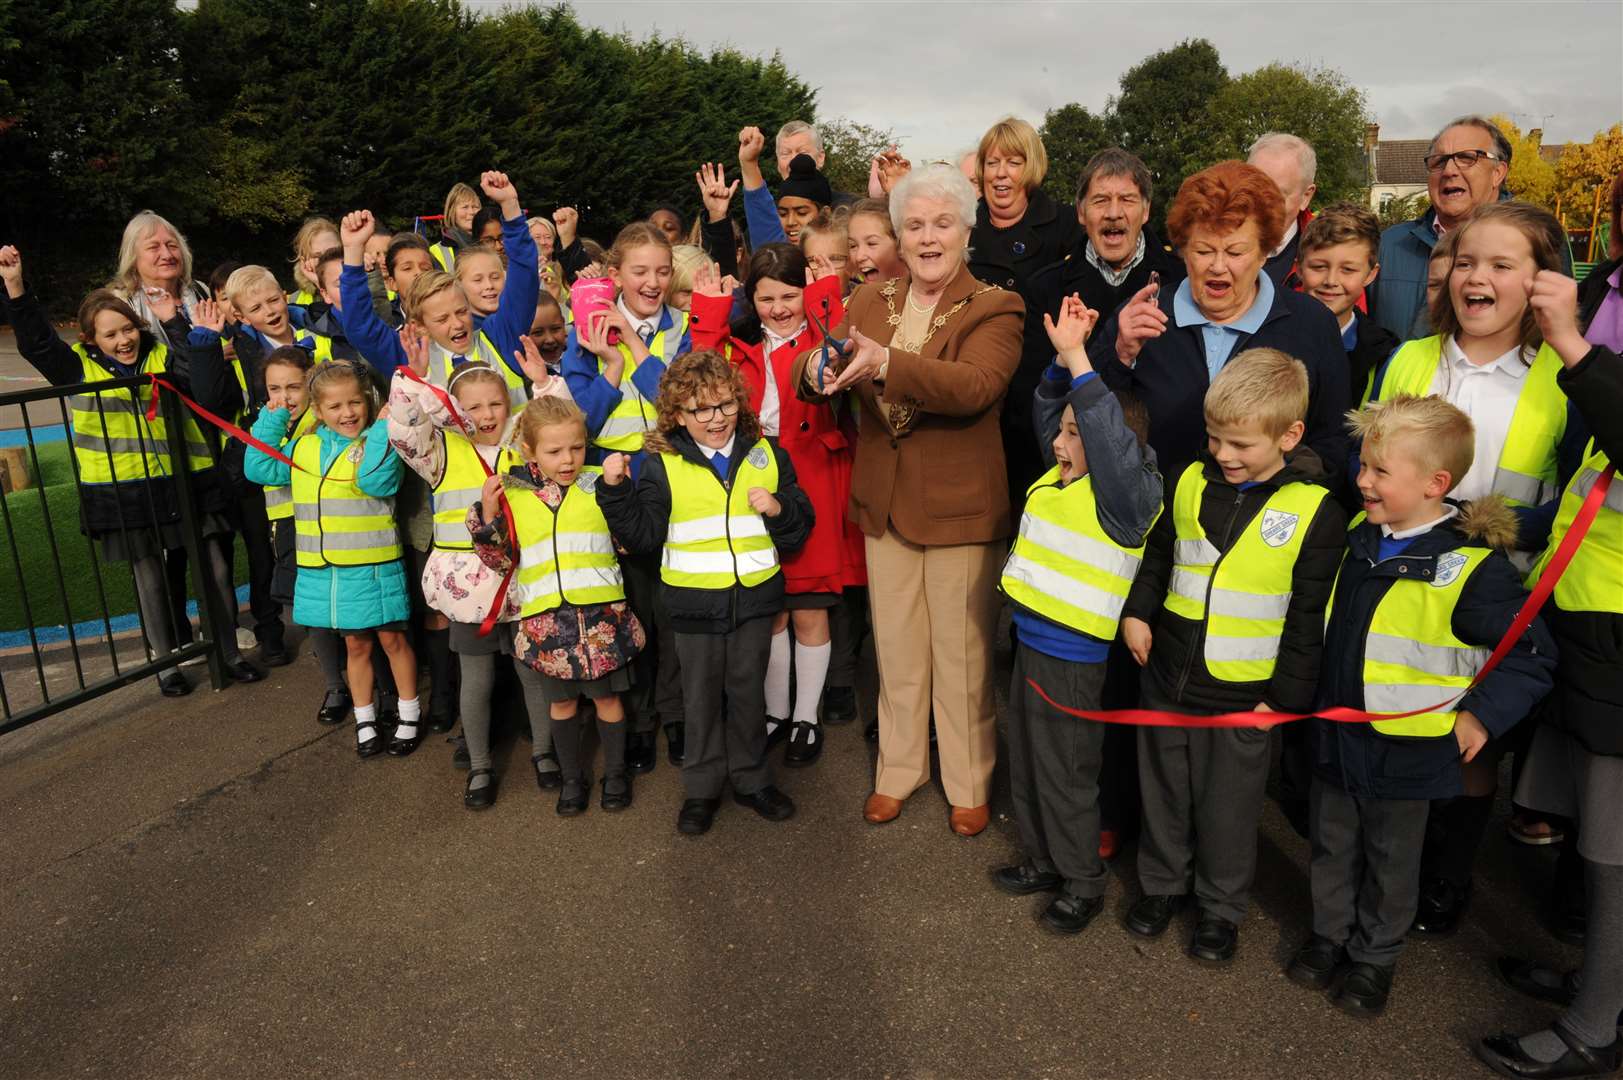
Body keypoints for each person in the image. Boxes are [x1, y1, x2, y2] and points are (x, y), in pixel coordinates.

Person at [1287, 394, 1554, 1017]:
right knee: (1330, 844)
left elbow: (1532, 653)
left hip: (1407, 755)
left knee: (1391, 861)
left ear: (1436, 484)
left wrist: (1481, 715)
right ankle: (1329, 937)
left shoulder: (1471, 569)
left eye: (1380, 471)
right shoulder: (1358, 536)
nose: (1362, 480)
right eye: (1363, 466)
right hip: (1336, 736)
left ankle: (1374, 959)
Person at [1368, 201, 1586, 935]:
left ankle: (1445, 878)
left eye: (1500, 265)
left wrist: (1470, 520)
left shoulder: (1563, 376)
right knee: (1396, 713)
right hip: (1401, 576)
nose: (1476, 278)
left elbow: (1570, 506)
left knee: (1468, 737)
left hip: (1500, 588)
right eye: (1465, 262)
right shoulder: (1410, 358)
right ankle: (1388, 864)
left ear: (1541, 281)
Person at [791, 162, 1024, 837]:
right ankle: (897, 772)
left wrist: (888, 363)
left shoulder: (995, 306)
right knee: (894, 651)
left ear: (965, 230)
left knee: (961, 657)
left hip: (959, 511)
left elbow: (974, 386)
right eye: (914, 225)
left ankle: (969, 780)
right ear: (897, 232)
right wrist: (815, 369)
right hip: (884, 503)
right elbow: (824, 365)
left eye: (941, 224)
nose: (927, 238)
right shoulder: (868, 300)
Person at [1118, 348, 1345, 963]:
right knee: (1163, 792)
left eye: (1241, 444)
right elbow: (1160, 554)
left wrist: (1285, 700)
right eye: (1215, 437)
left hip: (1246, 699)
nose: (1223, 454)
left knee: (1229, 811)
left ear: (1289, 435)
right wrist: (1138, 614)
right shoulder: (1188, 478)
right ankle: (1162, 885)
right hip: (1166, 676)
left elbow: (1308, 618)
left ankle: (1220, 908)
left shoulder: (1317, 511)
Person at [1477, 271, 1623, 1080]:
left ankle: (1596, 1026)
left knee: (1612, 845)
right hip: (1590, 618)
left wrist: (1572, 343)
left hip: (1617, 633)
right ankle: (1607, 983)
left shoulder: (1591, 349)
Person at [0, 247, 261, 695]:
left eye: (127, 329)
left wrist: (174, 319)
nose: (123, 340)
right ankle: (167, 664)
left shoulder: (159, 353)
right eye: (110, 335)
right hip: (125, 492)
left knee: (216, 568)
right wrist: (16, 290)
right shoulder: (77, 366)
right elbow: (38, 343)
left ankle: (228, 653)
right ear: (90, 339)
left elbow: (196, 371)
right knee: (151, 580)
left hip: (189, 480)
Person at [993, 292, 1163, 933]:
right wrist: (1062, 368)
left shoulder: (1126, 494)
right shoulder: (1063, 476)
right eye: (1062, 432)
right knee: (1033, 766)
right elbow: (1049, 409)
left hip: (1074, 662)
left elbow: (1106, 438)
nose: (1061, 442)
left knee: (1067, 775)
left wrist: (1081, 364)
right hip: (1032, 645)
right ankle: (1043, 860)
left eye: (1075, 432)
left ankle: (1082, 881)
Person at [596, 350, 813, 836]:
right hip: (693, 606)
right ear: (677, 415)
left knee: (748, 694)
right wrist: (614, 493)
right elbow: (645, 537)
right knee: (699, 700)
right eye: (700, 410)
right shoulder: (660, 465)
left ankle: (753, 780)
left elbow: (799, 527)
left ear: (739, 402)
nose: (715, 419)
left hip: (755, 600)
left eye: (725, 406)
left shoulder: (768, 454)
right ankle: (701, 789)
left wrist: (780, 509)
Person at [690, 246, 861, 766]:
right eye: (765, 298)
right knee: (771, 611)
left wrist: (826, 300)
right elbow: (694, 375)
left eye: (790, 295)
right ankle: (775, 712)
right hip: (754, 482)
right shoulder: (740, 347)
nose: (779, 307)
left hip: (810, 477)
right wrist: (709, 313)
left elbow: (841, 352)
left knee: (810, 606)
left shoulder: (817, 337)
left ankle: (806, 716)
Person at [1091, 160, 1350, 488]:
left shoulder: (1312, 325)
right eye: (1203, 250)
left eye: (1235, 252)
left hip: (1265, 530)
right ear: (1183, 251)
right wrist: (1120, 356)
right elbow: (1088, 422)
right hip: (1156, 527)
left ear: (1264, 252)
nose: (1217, 266)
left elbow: (1333, 444)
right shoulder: (1141, 315)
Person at [388, 351, 558, 809]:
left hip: (524, 583)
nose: (486, 416)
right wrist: (417, 378)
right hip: (468, 592)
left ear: (510, 404)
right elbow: (403, 427)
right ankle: (481, 765)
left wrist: (543, 384)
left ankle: (545, 753)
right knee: (477, 680)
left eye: (495, 405)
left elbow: (561, 425)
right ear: (456, 410)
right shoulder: (440, 450)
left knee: (533, 675)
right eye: (473, 407)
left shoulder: (526, 441)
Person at [469, 394, 646, 815]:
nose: (567, 459)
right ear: (529, 449)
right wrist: (490, 515)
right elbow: (499, 560)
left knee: (607, 700)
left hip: (603, 617)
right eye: (554, 451)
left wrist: (620, 494)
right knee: (562, 703)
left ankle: (616, 773)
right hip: (545, 623)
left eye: (577, 447)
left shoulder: (599, 484)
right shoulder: (512, 492)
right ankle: (572, 778)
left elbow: (628, 541)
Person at [246, 361, 420, 757]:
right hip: (327, 572)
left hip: (374, 570)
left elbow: (376, 481)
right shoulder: (304, 446)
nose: (347, 413)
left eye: (355, 403)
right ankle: (365, 718)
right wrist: (273, 421)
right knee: (356, 646)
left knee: (393, 641)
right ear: (318, 411)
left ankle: (409, 714)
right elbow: (259, 467)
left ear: (368, 402)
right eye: (336, 407)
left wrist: (380, 430)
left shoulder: (377, 441)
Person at [966, 116, 1083, 500]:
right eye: (992, 163)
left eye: (1013, 163)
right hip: (976, 394)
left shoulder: (1066, 223)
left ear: (1031, 168)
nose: (1000, 174)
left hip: (1041, 396)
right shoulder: (960, 223)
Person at [1372, 115, 1512, 339]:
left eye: (1466, 158)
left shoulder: (1536, 241)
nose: (1449, 171)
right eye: (1438, 161)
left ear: (1497, 173)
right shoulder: (1389, 245)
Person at [1053, 148, 1183, 323]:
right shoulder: (1043, 288)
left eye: (1127, 199)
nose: (1113, 213)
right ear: (1081, 212)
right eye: (1101, 200)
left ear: (1146, 211)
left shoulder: (1183, 280)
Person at [1297, 204, 1398, 409]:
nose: (1331, 280)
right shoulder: (1269, 335)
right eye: (1319, 267)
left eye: (1348, 270)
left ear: (1370, 274)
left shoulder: (1385, 354)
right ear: (1299, 268)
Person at [109, 210, 212, 347]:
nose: (167, 254)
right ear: (133, 258)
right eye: (153, 247)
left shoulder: (201, 290)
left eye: (172, 245)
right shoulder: (119, 303)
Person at [738, 125, 833, 246]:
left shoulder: (848, 216)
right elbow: (762, 216)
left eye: (802, 213)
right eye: (782, 214)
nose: (791, 222)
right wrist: (748, 163)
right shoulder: (776, 252)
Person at [1246, 133, 1318, 289]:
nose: (1262, 204)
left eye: (1277, 196)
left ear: (1306, 197)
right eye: (1253, 190)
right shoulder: (1203, 245)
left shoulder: (1330, 254)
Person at [773, 120, 857, 207]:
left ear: (820, 158)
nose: (794, 161)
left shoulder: (851, 210)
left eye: (803, 152)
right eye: (785, 153)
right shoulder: (768, 215)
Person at [846, 197, 905, 287]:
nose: (859, 257)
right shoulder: (853, 299)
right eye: (853, 246)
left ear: (900, 244)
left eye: (871, 243)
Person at [289, 217, 341, 305]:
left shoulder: (365, 279)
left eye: (332, 252)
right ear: (304, 261)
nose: (326, 260)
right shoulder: (295, 300)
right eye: (317, 256)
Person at [432, 182, 482, 272]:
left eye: (475, 207)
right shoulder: (436, 252)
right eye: (465, 207)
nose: (471, 212)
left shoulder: (492, 243)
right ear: (452, 212)